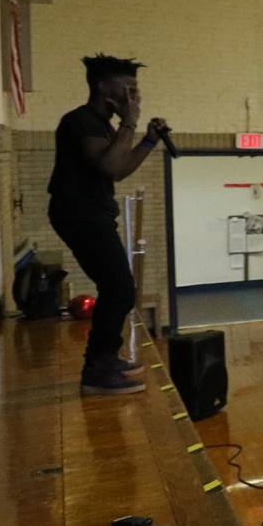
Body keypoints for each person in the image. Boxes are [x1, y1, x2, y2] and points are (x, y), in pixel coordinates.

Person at [45, 53, 170, 396]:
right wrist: (130, 123)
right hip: (78, 213)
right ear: (103, 87)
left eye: (136, 90)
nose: (134, 97)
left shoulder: (104, 126)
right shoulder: (80, 121)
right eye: (128, 88)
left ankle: (105, 359)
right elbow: (111, 168)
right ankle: (97, 370)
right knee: (119, 288)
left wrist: (147, 141)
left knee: (118, 288)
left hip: (94, 213)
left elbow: (121, 167)